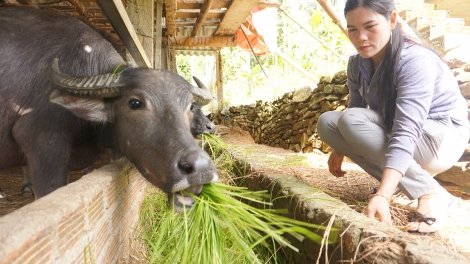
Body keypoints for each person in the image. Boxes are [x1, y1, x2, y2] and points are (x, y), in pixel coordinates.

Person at [317, 0, 469, 235]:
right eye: (353, 29)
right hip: (402, 130)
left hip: (442, 138)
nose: (361, 38)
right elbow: (355, 106)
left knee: (351, 120)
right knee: (327, 122)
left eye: (370, 26)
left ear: (392, 20)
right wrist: (339, 148)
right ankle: (413, 183)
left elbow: (406, 130)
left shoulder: (414, 60)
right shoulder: (357, 64)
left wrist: (383, 195)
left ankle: (429, 193)